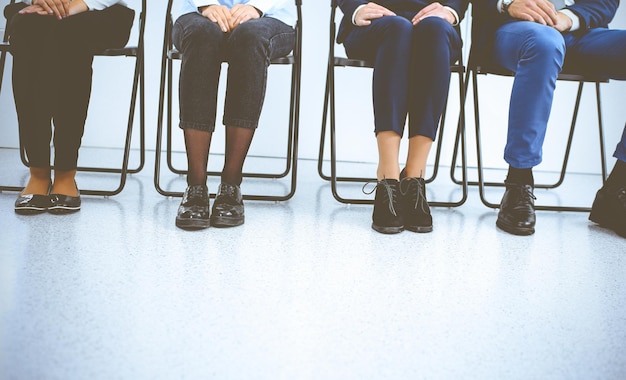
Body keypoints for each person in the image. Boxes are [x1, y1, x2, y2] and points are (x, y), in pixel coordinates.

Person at [472, 0, 626, 237]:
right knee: (544, 42)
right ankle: (519, 181)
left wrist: (570, 16)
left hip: (581, 31)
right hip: (515, 28)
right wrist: (506, 3)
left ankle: (617, 190)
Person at [336, 0, 468, 234]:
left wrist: (450, 10)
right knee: (398, 28)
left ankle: (414, 179)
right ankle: (388, 178)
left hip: (435, 24)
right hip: (375, 23)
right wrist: (355, 7)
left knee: (434, 30)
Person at [172, 0, 296, 229]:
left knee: (251, 35)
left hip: (270, 15)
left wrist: (258, 6)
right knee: (202, 33)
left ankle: (231, 184)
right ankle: (196, 186)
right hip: (196, 13)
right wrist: (206, 4)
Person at [8, 0, 134, 215]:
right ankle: (38, 172)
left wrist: (82, 3)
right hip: (39, 7)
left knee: (71, 32)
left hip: (102, 9)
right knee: (27, 27)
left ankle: (65, 173)